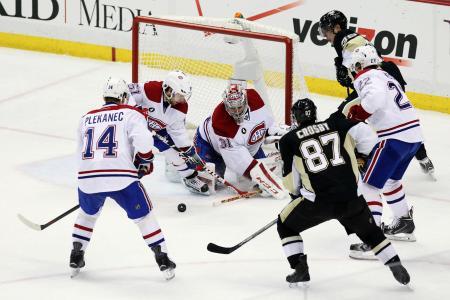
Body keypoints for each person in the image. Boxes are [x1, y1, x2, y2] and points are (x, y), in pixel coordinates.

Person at [277, 98, 410, 286]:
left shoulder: (288, 140)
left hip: (317, 203)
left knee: (285, 225)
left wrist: (298, 193)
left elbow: (291, 184)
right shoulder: (336, 124)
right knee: (371, 233)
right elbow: (369, 141)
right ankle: (395, 264)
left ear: (295, 118)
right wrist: (360, 156)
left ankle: (300, 268)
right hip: (351, 199)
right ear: (315, 113)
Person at [70, 77, 176, 280]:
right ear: (123, 96)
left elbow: (79, 153)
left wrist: (92, 178)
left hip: (87, 179)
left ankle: (76, 254)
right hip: (122, 180)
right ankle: (162, 259)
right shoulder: (130, 113)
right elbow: (144, 142)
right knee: (144, 217)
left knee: (87, 214)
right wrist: (144, 160)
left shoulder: (85, 118)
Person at [319, 9, 435, 177]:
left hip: (378, 82)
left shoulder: (342, 39)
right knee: (399, 118)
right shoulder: (352, 37)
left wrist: (343, 71)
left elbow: (355, 77)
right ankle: (424, 159)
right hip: (390, 78)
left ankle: (357, 159)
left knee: (340, 117)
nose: (324, 36)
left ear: (336, 28)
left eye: (325, 31)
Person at [347, 45, 423, 243]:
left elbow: (375, 99)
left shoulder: (367, 76)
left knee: (368, 185)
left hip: (394, 138)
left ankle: (374, 240)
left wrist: (360, 111)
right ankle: (404, 221)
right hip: (413, 136)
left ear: (359, 64)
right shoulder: (385, 75)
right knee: (390, 181)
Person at [194, 80, 288, 199]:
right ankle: (181, 165)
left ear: (245, 101)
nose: (237, 112)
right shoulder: (221, 123)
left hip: (246, 146)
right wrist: (268, 182)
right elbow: (239, 162)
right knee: (209, 183)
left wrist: (277, 134)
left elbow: (265, 125)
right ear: (226, 105)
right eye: (233, 108)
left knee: (249, 181)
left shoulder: (255, 99)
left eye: (239, 107)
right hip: (209, 146)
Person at [128, 70, 209, 196]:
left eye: (184, 96)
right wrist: (133, 110)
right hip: (136, 127)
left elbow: (177, 131)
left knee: (175, 154)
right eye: (179, 95)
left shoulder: (181, 107)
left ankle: (189, 178)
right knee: (130, 149)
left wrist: (189, 151)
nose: (182, 100)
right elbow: (128, 92)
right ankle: (126, 175)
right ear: (169, 90)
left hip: (159, 130)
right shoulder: (150, 89)